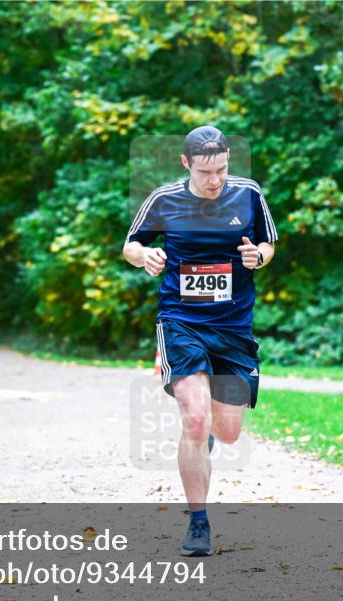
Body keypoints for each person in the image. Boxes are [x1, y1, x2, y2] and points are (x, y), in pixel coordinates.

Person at [122, 126, 278, 556]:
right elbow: (131, 245)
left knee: (227, 432)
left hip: (232, 327)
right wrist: (145, 255)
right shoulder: (164, 199)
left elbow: (268, 244)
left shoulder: (248, 194)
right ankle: (198, 523)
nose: (215, 180)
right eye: (206, 172)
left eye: (222, 170)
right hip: (181, 321)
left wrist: (258, 257)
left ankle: (206, 435)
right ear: (185, 163)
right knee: (194, 419)